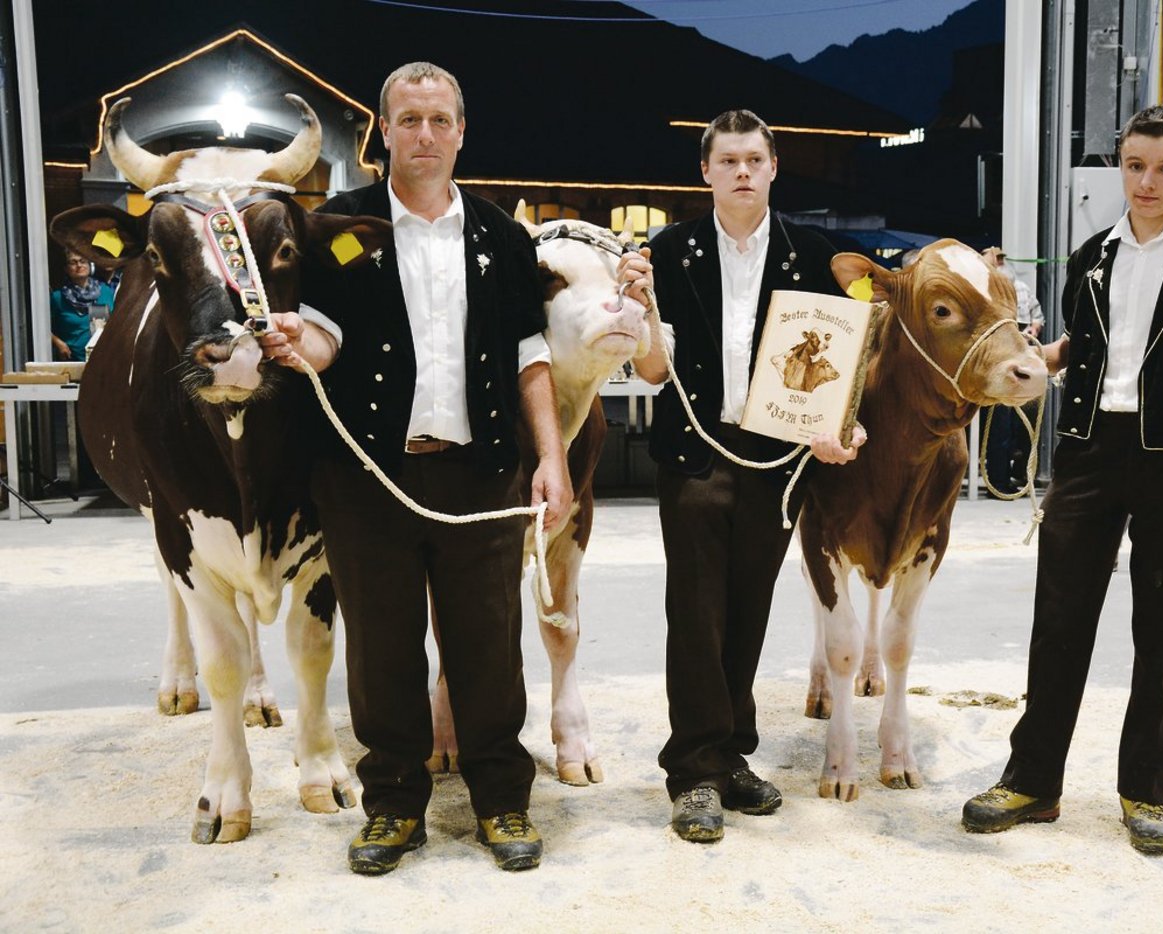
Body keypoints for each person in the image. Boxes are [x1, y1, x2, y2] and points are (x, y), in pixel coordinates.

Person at [256, 61, 598, 876]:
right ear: (384, 134)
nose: (425, 135)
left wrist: (550, 458)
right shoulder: (340, 225)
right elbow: (325, 335)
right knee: (382, 652)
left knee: (488, 646)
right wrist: (294, 344)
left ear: (461, 132)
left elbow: (529, 359)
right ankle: (393, 805)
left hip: (480, 475)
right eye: (408, 120)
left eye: (440, 120)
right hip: (370, 478)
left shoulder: (500, 237)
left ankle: (501, 799)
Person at [961, 105, 1163, 855]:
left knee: (1162, 630)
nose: (1149, 181)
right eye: (1136, 166)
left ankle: (1144, 792)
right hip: (1089, 452)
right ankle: (1033, 780)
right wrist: (1041, 359)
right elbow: (1091, 346)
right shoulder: (1091, 256)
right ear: (1119, 169)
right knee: (1058, 622)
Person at [630, 109, 863, 844]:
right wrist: (638, 314)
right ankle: (693, 773)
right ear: (705, 172)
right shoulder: (667, 252)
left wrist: (843, 424)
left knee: (747, 610)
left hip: (775, 460)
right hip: (697, 453)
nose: (739, 172)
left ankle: (730, 755)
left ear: (771, 169)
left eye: (751, 161)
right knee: (696, 613)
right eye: (725, 160)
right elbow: (651, 371)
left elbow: (842, 366)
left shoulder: (813, 253)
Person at [980, 246, 1044, 492]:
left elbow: (1037, 315)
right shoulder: (986, 291)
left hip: (1024, 353)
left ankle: (1022, 474)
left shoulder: (1021, 288)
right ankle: (999, 481)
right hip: (1002, 363)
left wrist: (1033, 330)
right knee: (999, 426)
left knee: (1027, 425)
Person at [50, 251, 116, 362]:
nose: (79, 265)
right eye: (73, 262)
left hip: (102, 360)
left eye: (83, 261)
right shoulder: (58, 298)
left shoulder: (105, 292)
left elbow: (115, 324)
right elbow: (43, 328)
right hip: (72, 362)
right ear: (66, 269)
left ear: (90, 266)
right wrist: (58, 343)